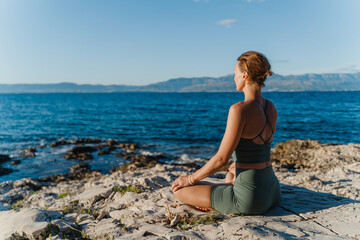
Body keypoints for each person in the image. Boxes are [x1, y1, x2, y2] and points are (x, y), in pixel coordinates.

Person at [171, 51, 281, 214]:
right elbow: (257, 152)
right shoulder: (270, 107)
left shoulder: (239, 109)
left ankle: (217, 203)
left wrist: (189, 179)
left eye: (235, 74)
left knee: (179, 189)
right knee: (231, 173)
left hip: (249, 199)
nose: (233, 78)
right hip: (273, 190)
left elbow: (221, 159)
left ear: (244, 75)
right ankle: (226, 188)